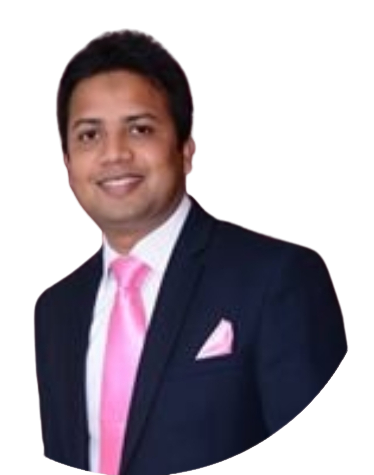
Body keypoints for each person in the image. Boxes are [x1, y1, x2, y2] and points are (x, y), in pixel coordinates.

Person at [34, 28, 347, 475]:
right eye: (89, 135)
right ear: (67, 166)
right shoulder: (55, 309)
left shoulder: (278, 278)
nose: (114, 154)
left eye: (139, 129)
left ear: (186, 150)